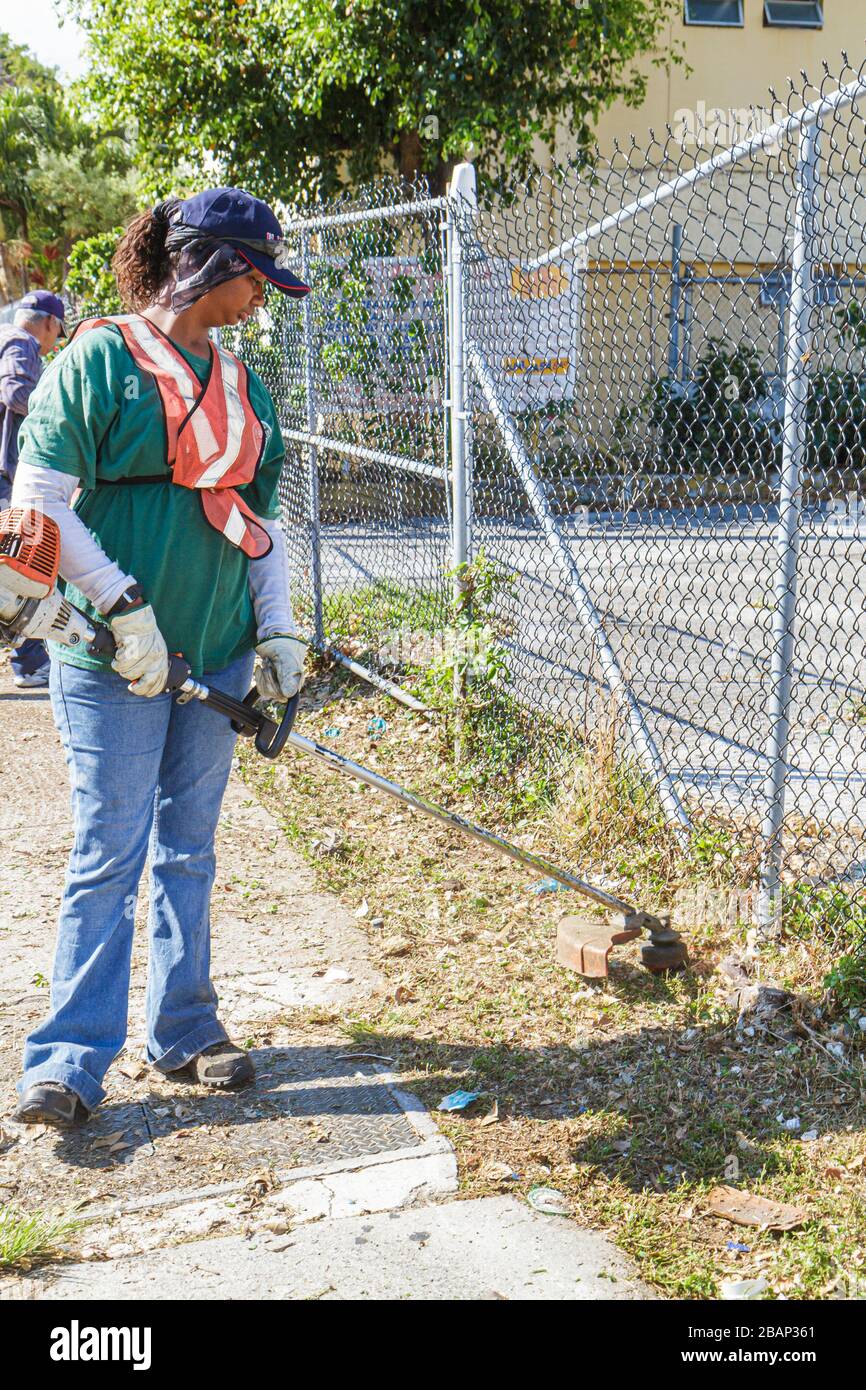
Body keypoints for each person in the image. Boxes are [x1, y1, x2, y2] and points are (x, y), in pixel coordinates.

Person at [10, 188, 311, 1127]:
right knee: (110, 850)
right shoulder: (96, 362)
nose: (264, 296)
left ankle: (185, 1028)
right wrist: (124, 608)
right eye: (257, 275)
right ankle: (67, 1059)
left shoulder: (240, 384)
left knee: (191, 848)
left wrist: (277, 627)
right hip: (112, 662)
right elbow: (39, 503)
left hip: (215, 656)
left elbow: (256, 521)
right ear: (214, 266)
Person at [0, 290, 65, 687]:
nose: (55, 342)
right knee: (19, 565)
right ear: (48, 323)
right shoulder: (21, 341)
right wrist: (55, 405)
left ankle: (28, 660)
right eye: (58, 333)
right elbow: (14, 391)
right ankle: (28, 663)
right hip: (4, 474)